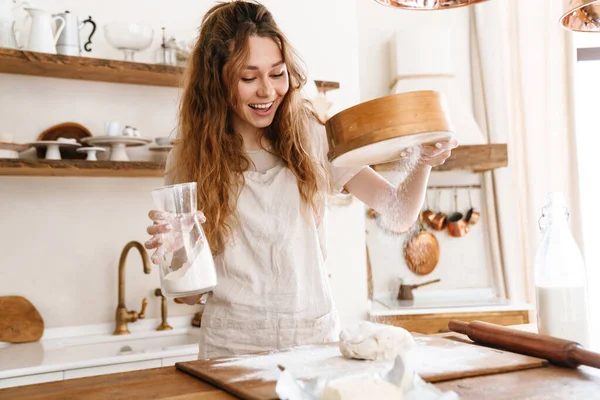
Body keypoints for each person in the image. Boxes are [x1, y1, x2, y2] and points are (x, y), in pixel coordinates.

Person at [145, 0, 458, 359]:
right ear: (216, 81)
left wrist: (424, 162)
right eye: (248, 78)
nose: (267, 91)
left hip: (314, 340)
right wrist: (175, 251)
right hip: (230, 348)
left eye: (277, 74)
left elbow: (399, 213)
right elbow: (188, 295)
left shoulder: (309, 136)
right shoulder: (189, 159)